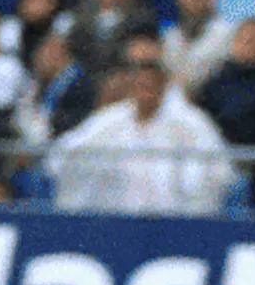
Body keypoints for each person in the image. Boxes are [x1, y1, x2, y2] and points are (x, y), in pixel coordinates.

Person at [45, 36, 230, 215]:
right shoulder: (110, 120)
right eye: (141, 85)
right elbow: (63, 156)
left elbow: (220, 171)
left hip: (173, 224)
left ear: (163, 86)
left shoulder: (190, 123)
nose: (145, 92)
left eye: (151, 86)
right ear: (131, 86)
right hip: (117, 221)